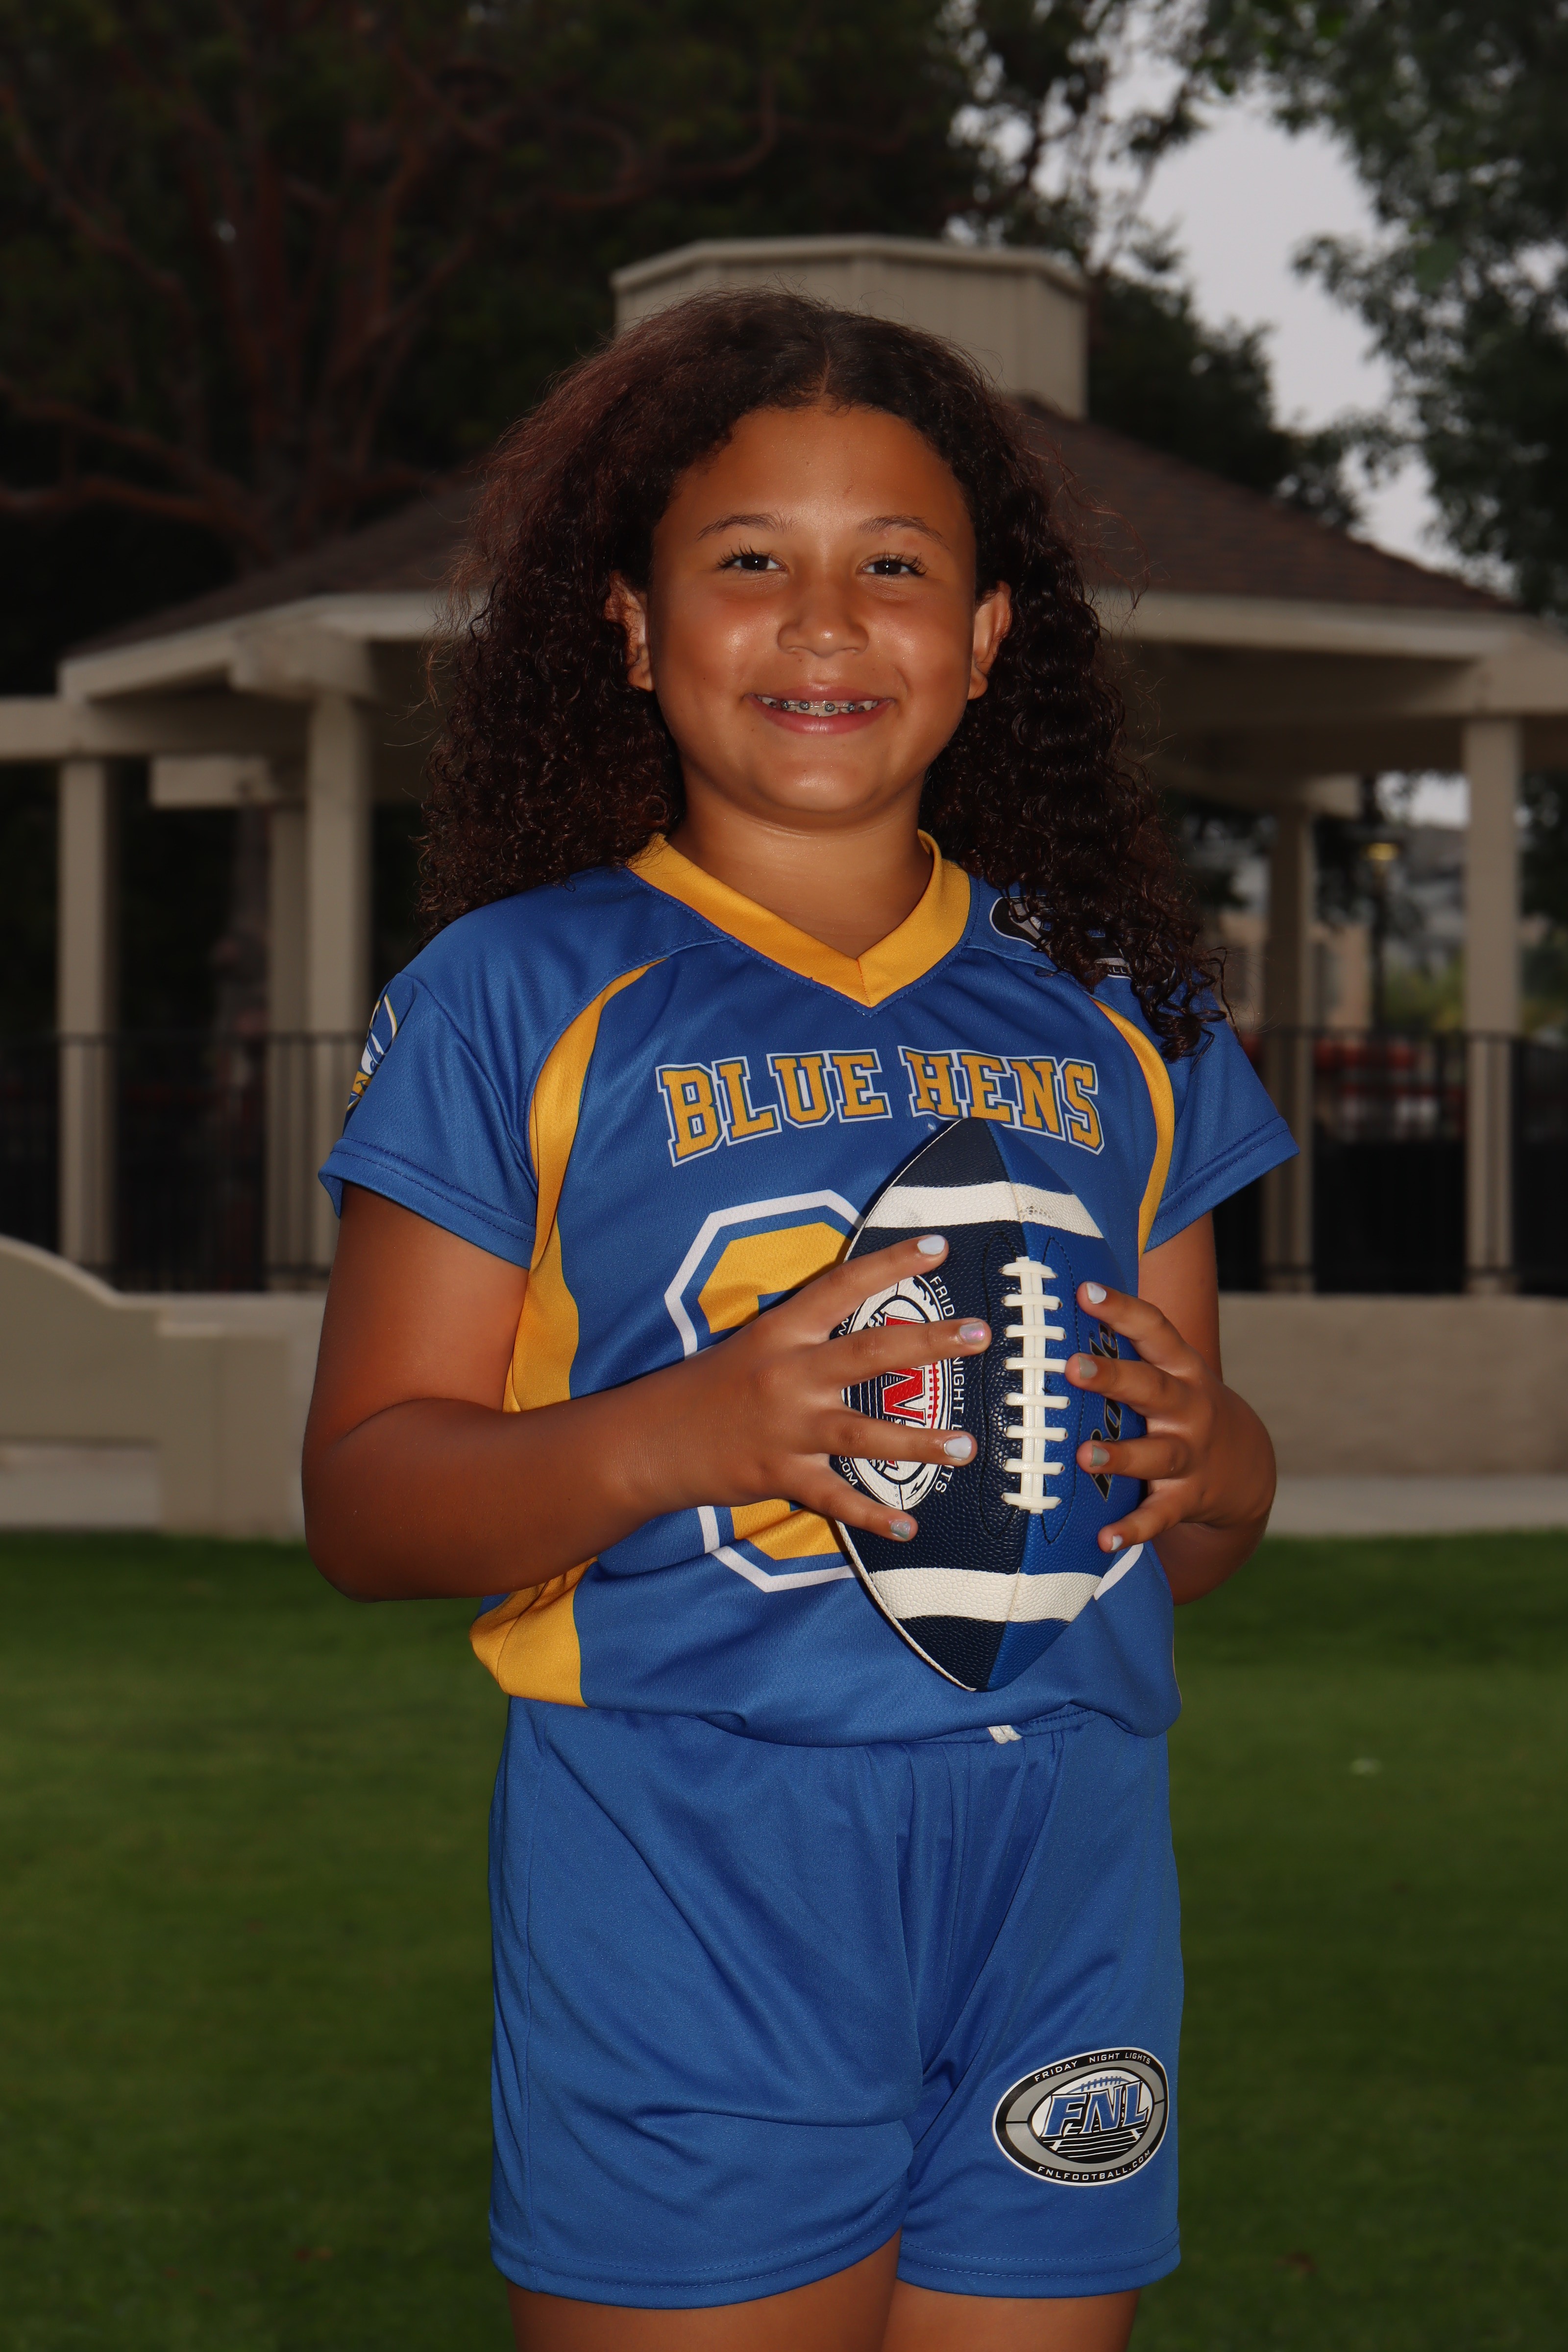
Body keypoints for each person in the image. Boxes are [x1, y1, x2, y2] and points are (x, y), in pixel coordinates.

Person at [303, 290, 1294, 2352]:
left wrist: (1222, 1464)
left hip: (1063, 1860)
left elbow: (1175, 1535)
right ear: (632, 624)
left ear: (988, 637)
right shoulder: (516, 994)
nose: (824, 623)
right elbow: (370, 1502)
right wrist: (690, 1430)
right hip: (691, 1859)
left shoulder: (1126, 1015)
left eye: (894, 568)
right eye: (749, 559)